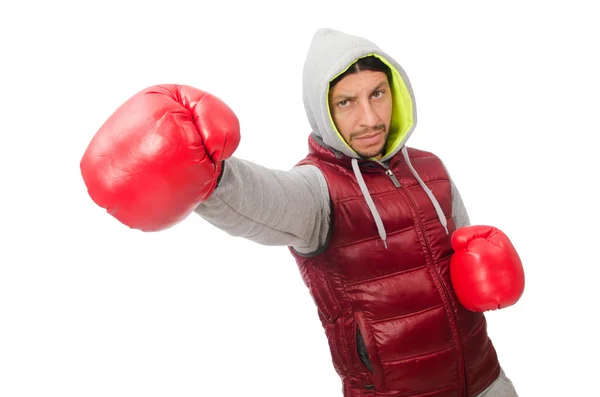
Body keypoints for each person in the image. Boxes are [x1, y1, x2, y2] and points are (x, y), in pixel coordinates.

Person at [80, 28, 524, 397]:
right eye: (346, 102)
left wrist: (484, 270)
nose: (369, 117)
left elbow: (465, 257)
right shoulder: (318, 190)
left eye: (377, 94)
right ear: (323, 111)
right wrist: (211, 174)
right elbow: (265, 199)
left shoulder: (431, 168)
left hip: (485, 380)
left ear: (397, 92)